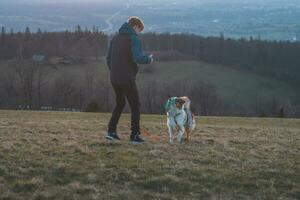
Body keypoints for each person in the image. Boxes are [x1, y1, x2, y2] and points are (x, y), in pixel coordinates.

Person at [105, 16, 154, 143]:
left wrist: (114, 71)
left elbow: (108, 59)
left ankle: (111, 132)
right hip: (127, 78)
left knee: (120, 103)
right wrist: (149, 59)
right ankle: (135, 136)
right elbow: (137, 58)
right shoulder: (133, 38)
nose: (139, 33)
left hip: (114, 78)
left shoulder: (115, 38)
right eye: (139, 30)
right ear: (135, 27)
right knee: (135, 106)